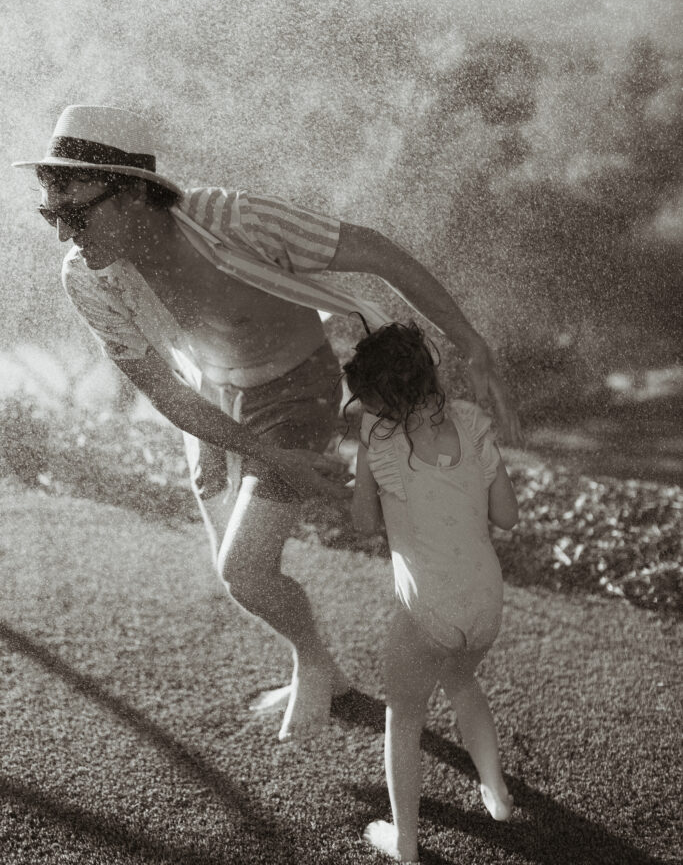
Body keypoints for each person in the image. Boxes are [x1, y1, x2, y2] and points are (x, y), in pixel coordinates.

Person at [12, 104, 522, 743]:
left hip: (297, 386)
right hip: (213, 397)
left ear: (135, 193)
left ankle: (312, 664)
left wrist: (469, 341)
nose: (64, 235)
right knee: (240, 571)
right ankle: (326, 671)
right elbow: (164, 392)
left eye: (76, 214)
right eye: (51, 215)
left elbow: (380, 255)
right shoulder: (88, 279)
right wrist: (245, 448)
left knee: (245, 569)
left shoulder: (239, 220)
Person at [343, 320, 518, 863]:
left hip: (428, 610)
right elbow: (507, 517)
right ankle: (496, 791)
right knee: (463, 684)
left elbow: (364, 525)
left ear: (381, 398)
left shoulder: (380, 442)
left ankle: (407, 844)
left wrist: (361, 483)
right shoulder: (472, 424)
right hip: (486, 602)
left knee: (404, 719)